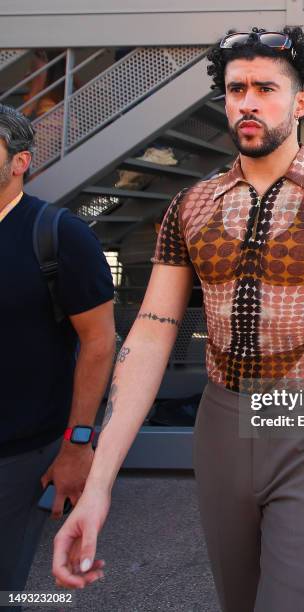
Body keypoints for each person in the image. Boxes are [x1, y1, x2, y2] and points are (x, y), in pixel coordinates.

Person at [52, 28, 304, 611]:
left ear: (301, 102)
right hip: (221, 415)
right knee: (238, 599)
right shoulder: (191, 204)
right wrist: (99, 484)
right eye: (235, 89)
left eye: (264, 88)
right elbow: (151, 333)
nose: (246, 102)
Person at [0, 104, 115, 603]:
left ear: (19, 161)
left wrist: (78, 445)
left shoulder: (58, 234)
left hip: (19, 454)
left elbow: (99, 342)